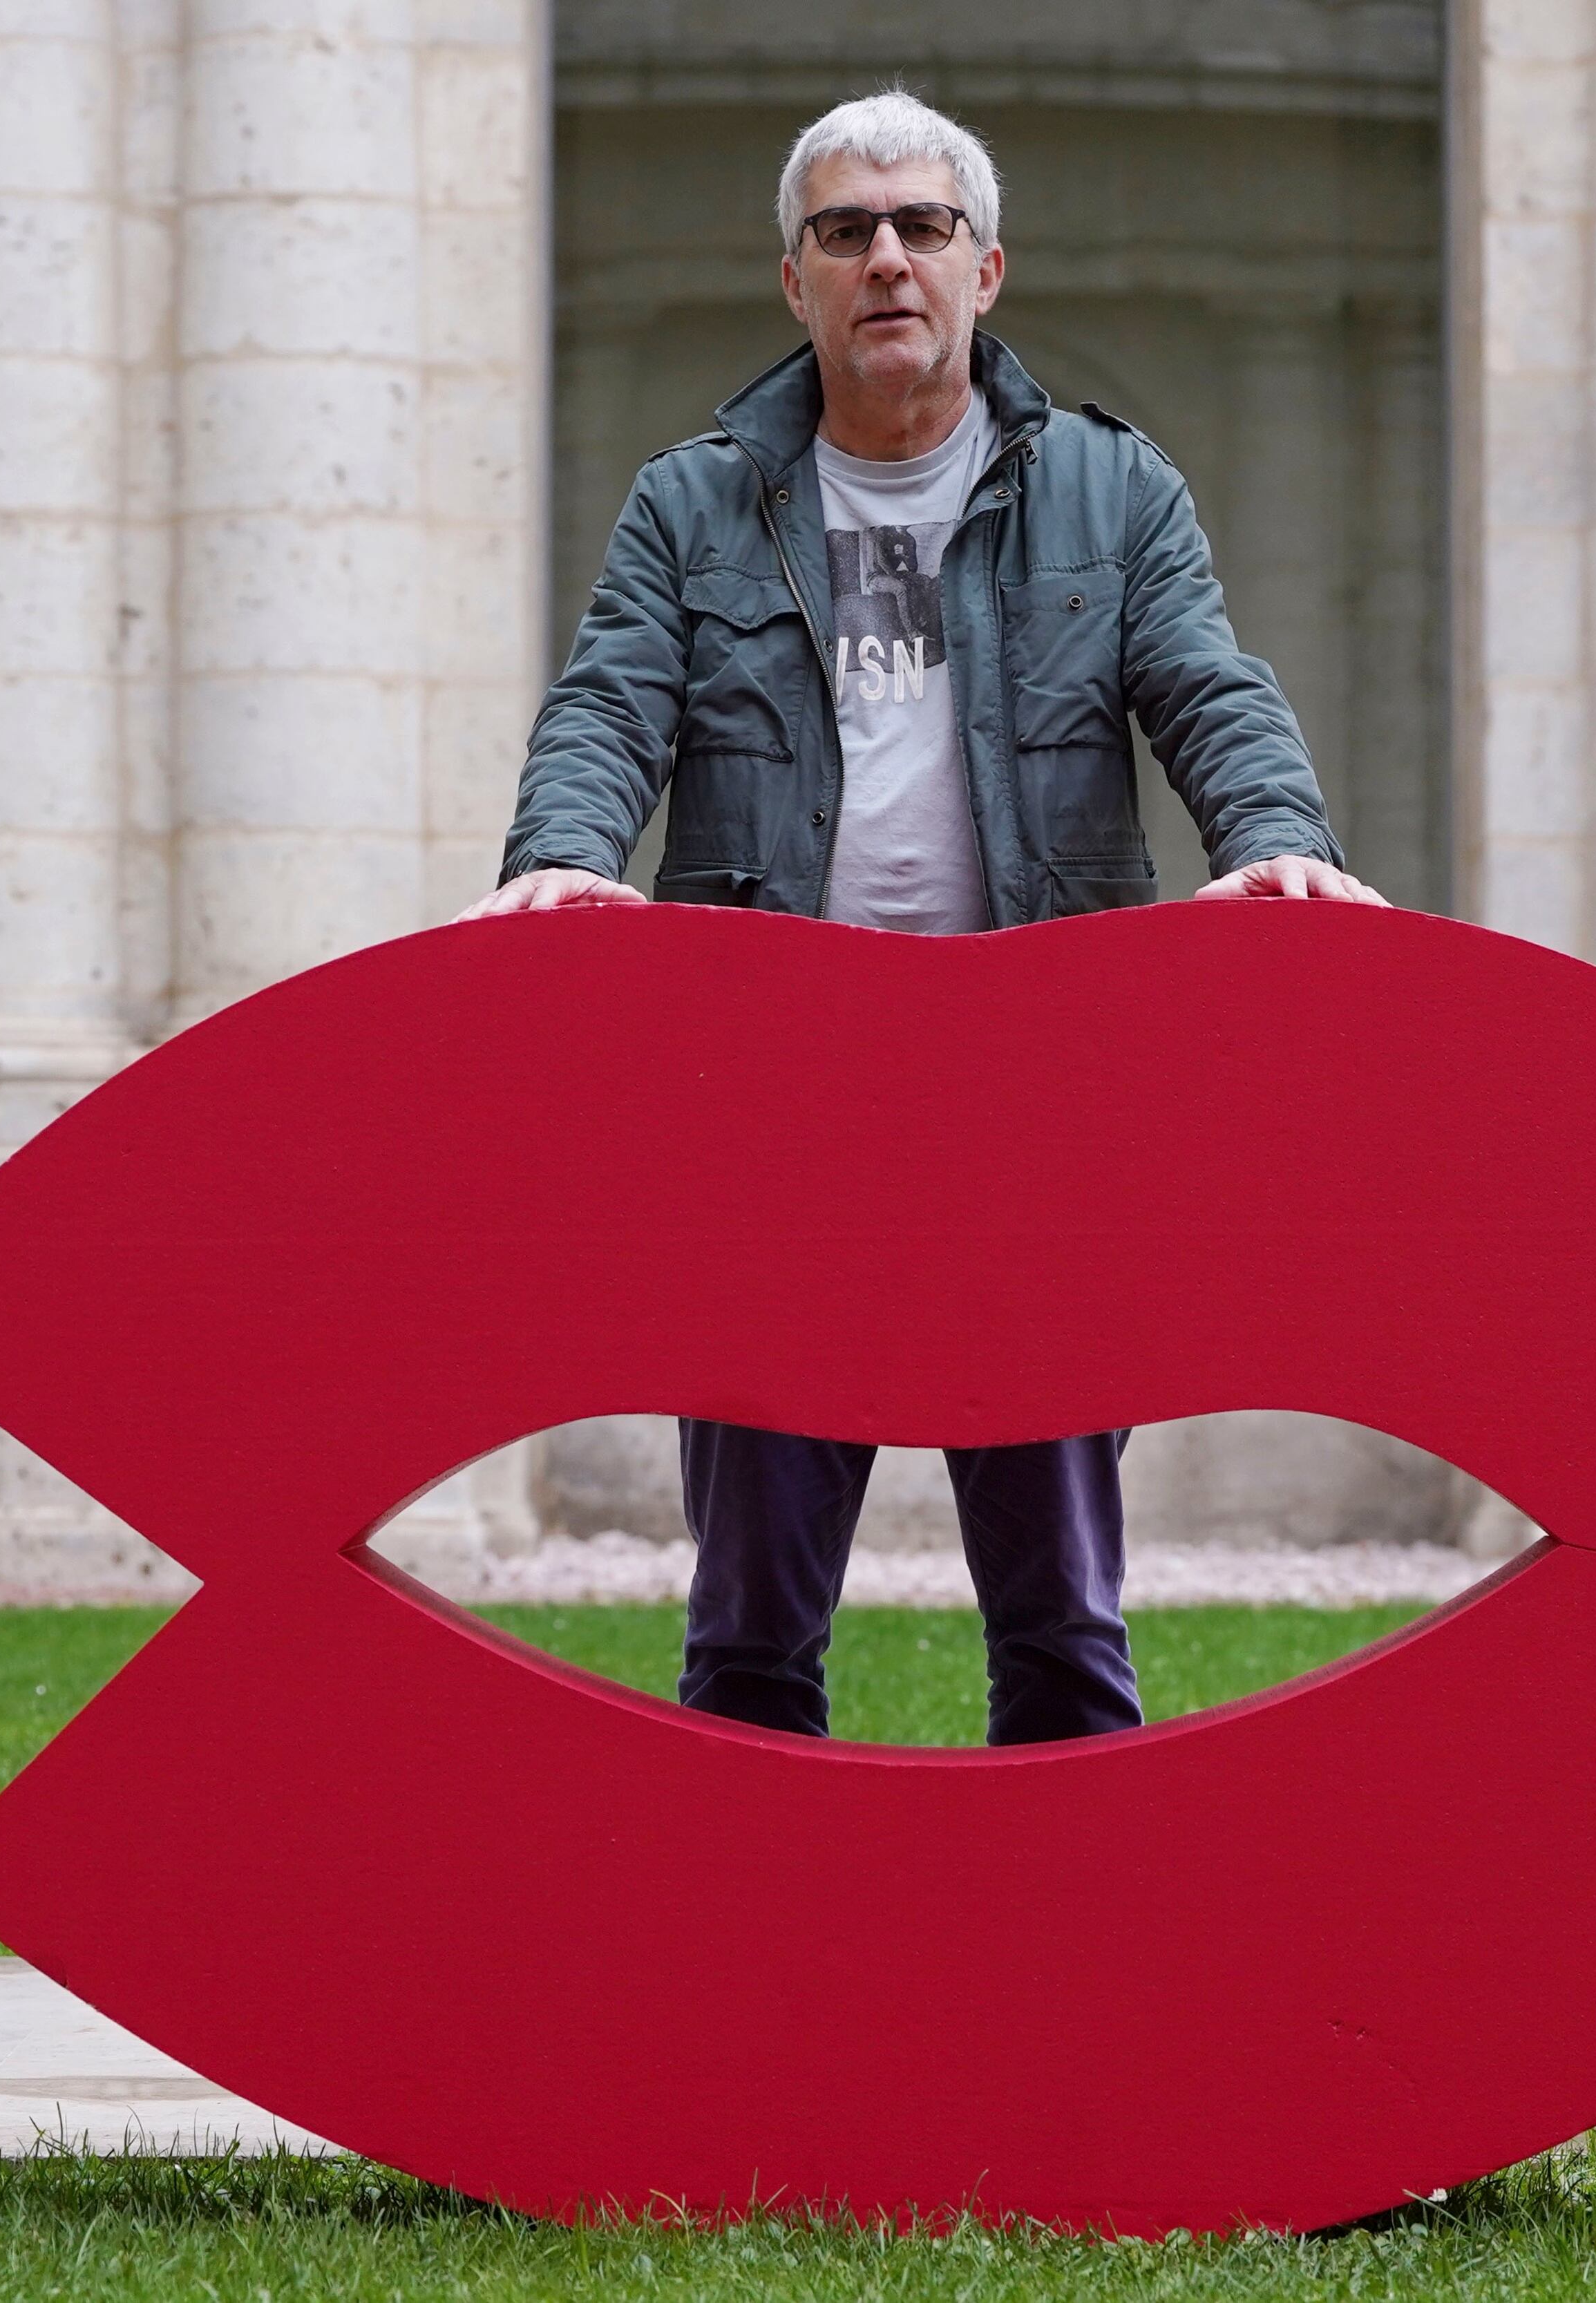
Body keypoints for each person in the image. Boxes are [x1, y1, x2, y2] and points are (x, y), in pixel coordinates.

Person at [464, 88, 1383, 1747]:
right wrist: (558, 857)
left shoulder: (1113, 491)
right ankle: (747, 1967)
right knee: (745, 1630)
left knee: (1061, 1624)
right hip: (769, 1102)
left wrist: (1278, 840)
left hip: (1036, 1098)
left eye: (921, 227)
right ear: (796, 284)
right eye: (845, 231)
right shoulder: (695, 504)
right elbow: (608, 704)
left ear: (985, 268)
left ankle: (1074, 1972)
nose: (886, 257)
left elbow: (1208, 688)